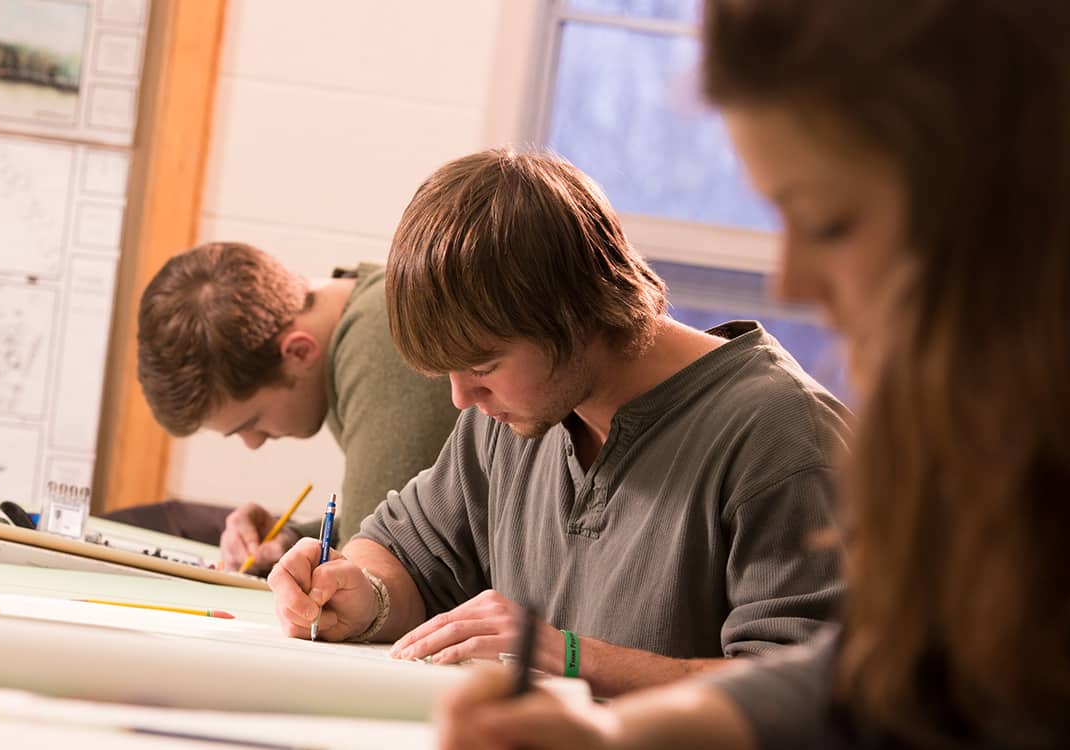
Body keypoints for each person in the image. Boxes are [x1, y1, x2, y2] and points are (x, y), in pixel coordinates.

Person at [434, 1, 1070, 747]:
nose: (791, 282)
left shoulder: (784, 427)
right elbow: (874, 678)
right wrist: (616, 740)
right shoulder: (975, 435)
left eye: (830, 222)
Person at [267, 148, 849, 697]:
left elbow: (806, 698)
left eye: (483, 366)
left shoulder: (784, 434)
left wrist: (572, 659)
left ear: (577, 316)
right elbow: (406, 552)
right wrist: (362, 594)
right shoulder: (513, 418)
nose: (461, 398)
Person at [130, 241, 459, 573]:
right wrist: (289, 539)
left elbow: (377, 569)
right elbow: (404, 520)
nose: (254, 442)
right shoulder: (356, 320)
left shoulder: (383, 341)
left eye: (252, 422)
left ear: (299, 352)